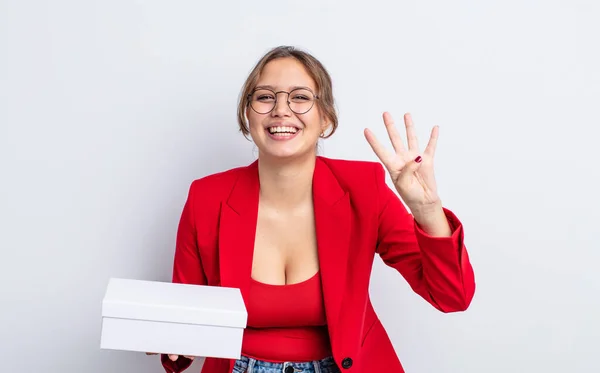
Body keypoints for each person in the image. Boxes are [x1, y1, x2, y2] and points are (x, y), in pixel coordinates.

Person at [150, 45, 476, 373]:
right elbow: (185, 321)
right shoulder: (206, 198)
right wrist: (177, 342)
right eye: (265, 97)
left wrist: (428, 210)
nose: (281, 109)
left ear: (326, 120)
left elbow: (451, 296)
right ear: (247, 116)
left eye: (300, 97)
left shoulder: (364, 189)